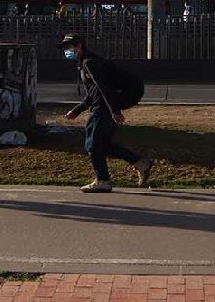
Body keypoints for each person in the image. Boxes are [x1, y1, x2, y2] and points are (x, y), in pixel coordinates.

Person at [61, 34, 152, 193]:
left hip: (104, 105)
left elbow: (103, 87)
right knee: (104, 145)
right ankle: (139, 162)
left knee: (93, 144)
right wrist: (78, 109)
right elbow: (94, 92)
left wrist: (114, 111)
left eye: (69, 47)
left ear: (79, 46)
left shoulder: (90, 63)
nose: (67, 51)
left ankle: (102, 180)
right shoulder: (87, 62)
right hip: (106, 103)